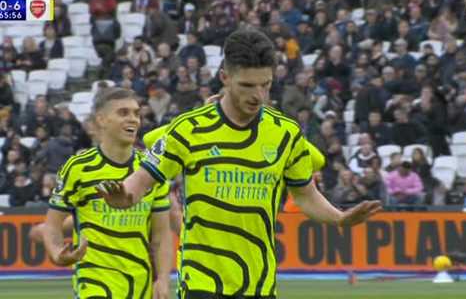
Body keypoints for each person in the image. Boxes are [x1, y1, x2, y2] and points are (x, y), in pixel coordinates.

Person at [97, 28, 381, 299]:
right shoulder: (189, 129)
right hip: (201, 281)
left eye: (265, 85)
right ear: (225, 77)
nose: (258, 95)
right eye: (247, 85)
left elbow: (305, 195)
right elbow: (141, 180)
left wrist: (339, 218)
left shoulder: (286, 133)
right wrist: (125, 195)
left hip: (259, 283)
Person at [43, 88, 172, 299]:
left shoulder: (150, 169)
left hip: (141, 284)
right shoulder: (78, 168)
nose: (134, 119)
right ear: (101, 120)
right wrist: (58, 254)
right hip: (95, 281)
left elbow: (161, 235)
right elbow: (52, 225)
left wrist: (163, 279)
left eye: (136, 113)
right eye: (123, 113)